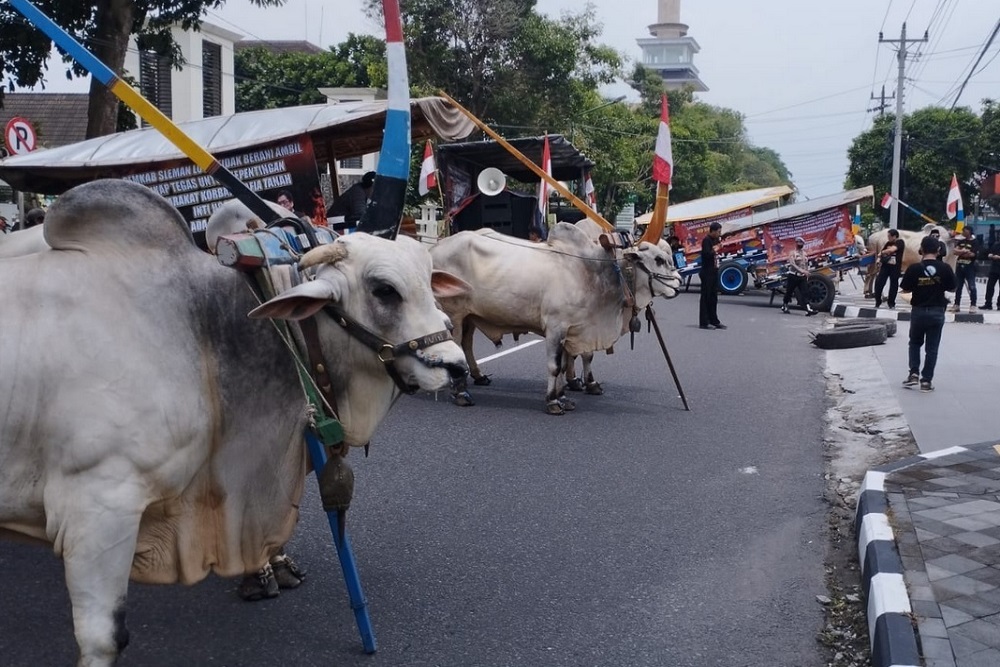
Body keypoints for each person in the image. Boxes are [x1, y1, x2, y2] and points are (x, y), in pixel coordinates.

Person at [900, 235, 956, 392]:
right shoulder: (945, 268)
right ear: (938, 250)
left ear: (921, 250)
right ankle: (926, 381)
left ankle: (913, 374)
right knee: (932, 348)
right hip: (937, 312)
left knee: (915, 343)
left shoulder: (914, 268)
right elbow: (952, 288)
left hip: (918, 311)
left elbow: (905, 288)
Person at [698, 222, 726, 330]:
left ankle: (714, 320)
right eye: (718, 232)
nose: (719, 234)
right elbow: (706, 254)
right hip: (707, 272)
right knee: (706, 297)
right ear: (713, 231)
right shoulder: (706, 240)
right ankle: (704, 322)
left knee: (714, 297)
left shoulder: (715, 240)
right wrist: (715, 249)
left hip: (714, 271)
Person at [781, 236, 818, 316]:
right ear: (796, 243)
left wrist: (806, 272)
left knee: (805, 292)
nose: (799, 244)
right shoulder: (792, 253)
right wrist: (802, 271)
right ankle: (785, 304)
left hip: (802, 277)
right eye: (798, 242)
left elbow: (805, 264)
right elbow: (792, 264)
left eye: (801, 242)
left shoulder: (804, 254)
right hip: (793, 275)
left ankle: (808, 309)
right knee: (789, 292)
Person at [950, 227, 980, 313]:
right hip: (960, 266)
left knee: (972, 286)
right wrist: (964, 251)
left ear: (969, 231)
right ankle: (956, 305)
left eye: (965, 230)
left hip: (970, 267)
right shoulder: (961, 241)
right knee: (958, 287)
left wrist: (961, 252)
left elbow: (972, 254)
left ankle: (973, 305)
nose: (963, 232)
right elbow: (955, 251)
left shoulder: (975, 242)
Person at [873, 228, 905, 309]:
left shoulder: (900, 242)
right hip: (885, 265)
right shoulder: (888, 243)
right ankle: (878, 301)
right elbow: (882, 251)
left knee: (893, 285)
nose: (888, 238)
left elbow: (892, 250)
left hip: (895, 266)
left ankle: (891, 303)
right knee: (879, 283)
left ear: (894, 236)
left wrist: (884, 252)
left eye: (889, 236)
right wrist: (879, 258)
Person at [981, 237, 1000, 310]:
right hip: (994, 269)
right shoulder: (996, 245)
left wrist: (998, 257)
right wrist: (991, 255)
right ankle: (988, 303)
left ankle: (999, 304)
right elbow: (989, 253)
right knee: (989, 287)